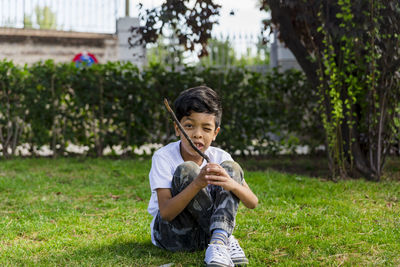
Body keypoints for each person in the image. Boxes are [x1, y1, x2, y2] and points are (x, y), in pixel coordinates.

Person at [148, 86, 258, 267]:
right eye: (189, 126)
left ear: (215, 133)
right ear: (178, 128)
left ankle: (220, 241)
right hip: (173, 236)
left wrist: (232, 185)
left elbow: (252, 202)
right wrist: (197, 183)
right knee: (188, 170)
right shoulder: (163, 157)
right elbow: (166, 213)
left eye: (206, 128)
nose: (197, 134)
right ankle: (224, 238)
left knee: (230, 168)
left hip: (207, 237)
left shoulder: (221, 157)